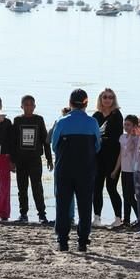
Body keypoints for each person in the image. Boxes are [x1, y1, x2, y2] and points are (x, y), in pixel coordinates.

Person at [51, 89, 101, 251]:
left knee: (63, 204)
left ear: (70, 103)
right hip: (85, 169)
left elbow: (54, 145)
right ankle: (83, 240)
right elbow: (97, 146)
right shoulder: (92, 122)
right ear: (86, 104)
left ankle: (63, 240)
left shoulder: (62, 121)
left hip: (64, 168)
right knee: (85, 204)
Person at [11, 95, 53, 224]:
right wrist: (12, 161)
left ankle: (42, 214)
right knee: (22, 188)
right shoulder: (17, 120)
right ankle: (23, 214)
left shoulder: (39, 120)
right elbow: (12, 142)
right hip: (21, 160)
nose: (29, 107)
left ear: (34, 106)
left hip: (35, 160)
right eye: (26, 104)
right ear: (22, 106)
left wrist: (49, 158)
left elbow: (45, 141)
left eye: (31, 104)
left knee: (37, 187)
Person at [92, 88, 123, 228]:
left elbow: (117, 138)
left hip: (113, 157)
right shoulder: (96, 116)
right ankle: (97, 217)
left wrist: (102, 139)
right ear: (100, 99)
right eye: (105, 97)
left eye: (110, 97)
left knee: (111, 187)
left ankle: (118, 218)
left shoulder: (117, 115)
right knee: (96, 187)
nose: (107, 99)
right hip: (98, 157)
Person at [111, 115, 139, 228]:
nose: (125, 127)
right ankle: (126, 220)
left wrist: (132, 136)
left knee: (130, 196)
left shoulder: (137, 138)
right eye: (125, 124)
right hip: (125, 169)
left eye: (128, 125)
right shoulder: (122, 137)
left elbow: (131, 148)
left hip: (133, 170)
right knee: (125, 195)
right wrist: (115, 170)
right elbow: (121, 154)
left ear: (134, 126)